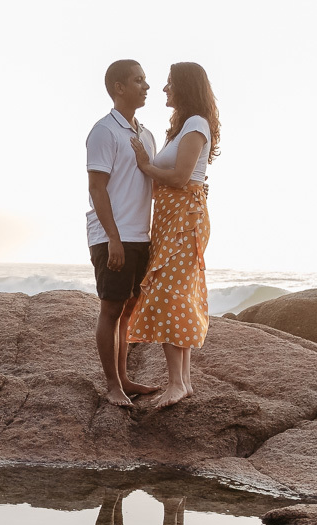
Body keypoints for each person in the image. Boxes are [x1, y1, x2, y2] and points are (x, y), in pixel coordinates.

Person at [126, 62, 221, 410]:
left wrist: (144, 164)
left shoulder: (196, 123)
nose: (163, 89)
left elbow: (181, 177)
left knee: (171, 293)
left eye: (169, 84)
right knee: (178, 292)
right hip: (172, 216)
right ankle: (184, 382)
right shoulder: (183, 127)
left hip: (183, 218)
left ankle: (178, 383)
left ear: (184, 87)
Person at [86, 60, 161, 407]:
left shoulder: (145, 134)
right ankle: (113, 385)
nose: (146, 86)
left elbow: (151, 183)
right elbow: (97, 189)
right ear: (118, 87)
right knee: (111, 309)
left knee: (129, 309)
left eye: (145, 80)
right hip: (111, 236)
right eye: (138, 80)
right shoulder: (104, 131)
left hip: (139, 236)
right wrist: (113, 237)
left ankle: (125, 378)